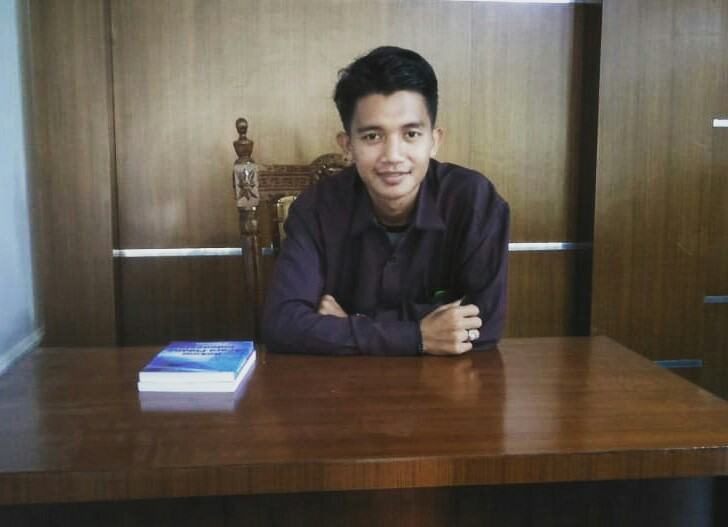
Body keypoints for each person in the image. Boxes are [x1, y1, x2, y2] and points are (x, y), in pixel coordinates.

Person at [262, 46, 509, 356]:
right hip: (345, 384)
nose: (393, 156)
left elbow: (484, 326)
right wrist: (418, 335)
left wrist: (353, 325)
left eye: (411, 134)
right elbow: (282, 324)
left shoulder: (474, 202)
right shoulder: (315, 209)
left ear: (434, 141)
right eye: (372, 137)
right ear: (347, 146)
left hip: (448, 383)